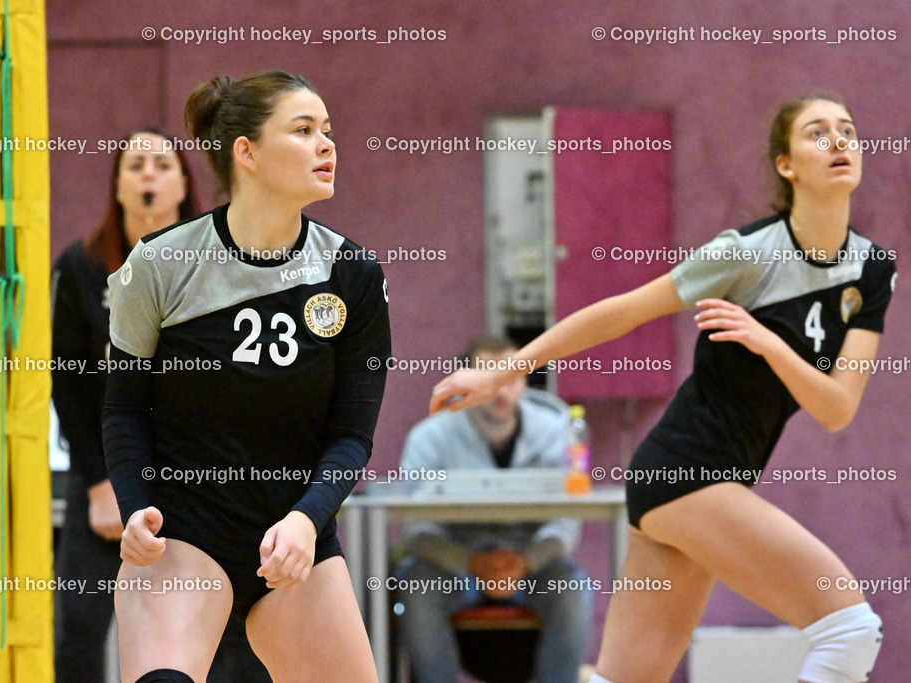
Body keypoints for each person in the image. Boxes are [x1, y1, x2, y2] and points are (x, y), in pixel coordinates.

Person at [431, 94, 894, 683]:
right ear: (787, 164)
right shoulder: (745, 254)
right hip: (685, 469)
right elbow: (621, 312)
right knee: (850, 630)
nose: (838, 142)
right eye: (817, 132)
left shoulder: (873, 270)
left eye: (847, 130)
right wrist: (504, 368)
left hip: (703, 483)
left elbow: (836, 407)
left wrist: (767, 341)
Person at [103, 71, 390, 683]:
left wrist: (307, 520)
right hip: (184, 533)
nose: (327, 145)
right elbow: (123, 409)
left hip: (291, 535)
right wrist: (134, 507)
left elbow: (352, 436)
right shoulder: (159, 265)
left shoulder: (353, 275)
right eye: (304, 130)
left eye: (329, 131)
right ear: (247, 152)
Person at [52, 129, 269, 682]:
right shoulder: (80, 266)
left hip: (196, 468)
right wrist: (101, 483)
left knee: (223, 618)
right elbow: (67, 381)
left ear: (184, 184)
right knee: (80, 620)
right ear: (117, 187)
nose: (148, 174)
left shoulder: (219, 261)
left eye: (162, 164)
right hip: (109, 466)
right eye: (134, 165)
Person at [396, 335, 593, 683]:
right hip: (453, 564)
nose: (500, 389)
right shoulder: (429, 437)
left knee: (572, 586)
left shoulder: (556, 432)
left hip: (530, 564)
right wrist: (469, 562)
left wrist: (526, 562)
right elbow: (416, 526)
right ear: (464, 380)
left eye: (511, 377)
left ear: (526, 382)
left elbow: (566, 519)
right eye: (488, 374)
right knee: (415, 583)